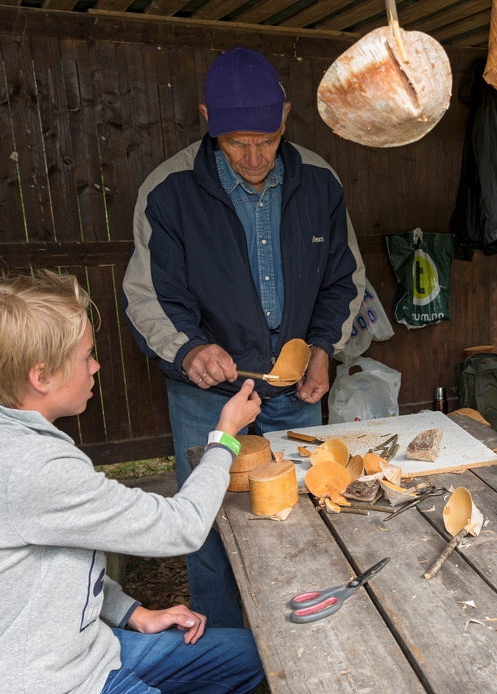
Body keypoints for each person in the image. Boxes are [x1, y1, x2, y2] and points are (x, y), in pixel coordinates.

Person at [0, 271, 288, 694]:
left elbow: (51, 558)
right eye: (88, 355)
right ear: (40, 376)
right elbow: (182, 527)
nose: (96, 366)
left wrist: (130, 611)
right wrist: (226, 437)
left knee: (240, 660)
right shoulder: (31, 467)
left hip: (69, 665)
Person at [123, 46, 366, 628]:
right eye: (237, 144)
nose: (254, 157)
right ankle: (227, 652)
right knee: (210, 522)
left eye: (266, 139)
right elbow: (148, 298)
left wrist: (322, 351)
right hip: (208, 395)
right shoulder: (169, 192)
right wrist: (189, 350)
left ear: (285, 115)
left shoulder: (319, 183)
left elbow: (345, 280)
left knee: (305, 512)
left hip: (296, 391)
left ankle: (302, 636)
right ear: (208, 119)